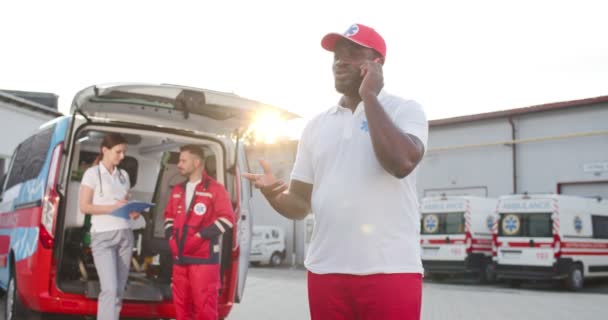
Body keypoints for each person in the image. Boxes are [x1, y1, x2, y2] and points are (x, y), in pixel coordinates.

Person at [243, 23, 428, 320]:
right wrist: (273, 193)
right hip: (326, 269)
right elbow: (300, 205)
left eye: (353, 52)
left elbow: (401, 163)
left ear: (377, 63)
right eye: (336, 55)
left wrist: (369, 96)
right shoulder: (316, 126)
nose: (340, 60)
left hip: (390, 269)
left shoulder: (405, 110)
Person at [163, 145, 235, 320]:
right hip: (180, 260)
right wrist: (171, 238)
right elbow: (168, 217)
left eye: (183, 160)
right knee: (181, 310)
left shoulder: (215, 189)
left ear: (196, 163)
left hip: (204, 261)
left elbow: (227, 219)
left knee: (204, 310)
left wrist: (200, 236)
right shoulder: (178, 190)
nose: (179, 164)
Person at [79, 133, 140, 320]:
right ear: (104, 150)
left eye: (124, 152)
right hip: (103, 238)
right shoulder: (92, 174)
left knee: (119, 290)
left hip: (125, 235)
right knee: (110, 289)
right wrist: (112, 208)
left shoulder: (124, 175)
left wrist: (132, 211)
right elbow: (84, 206)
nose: (122, 157)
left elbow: (124, 201)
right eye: (118, 152)